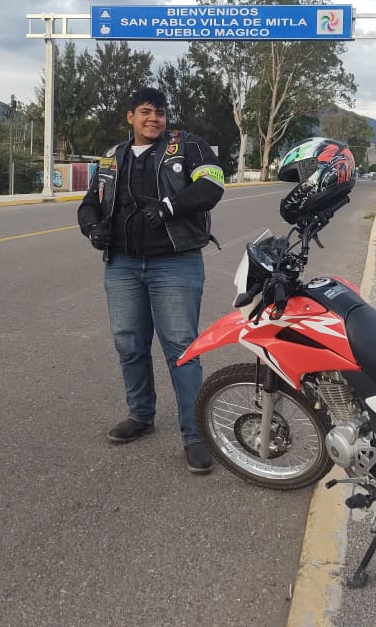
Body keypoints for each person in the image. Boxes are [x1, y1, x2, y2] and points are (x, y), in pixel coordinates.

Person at [77, 87, 225, 474]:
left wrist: (169, 207)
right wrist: (92, 229)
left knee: (182, 349)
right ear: (131, 118)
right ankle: (140, 416)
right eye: (145, 112)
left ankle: (196, 436)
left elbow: (212, 186)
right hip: (123, 265)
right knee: (129, 344)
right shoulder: (111, 157)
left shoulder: (188, 146)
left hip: (175, 263)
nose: (153, 119)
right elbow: (89, 205)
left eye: (159, 113)